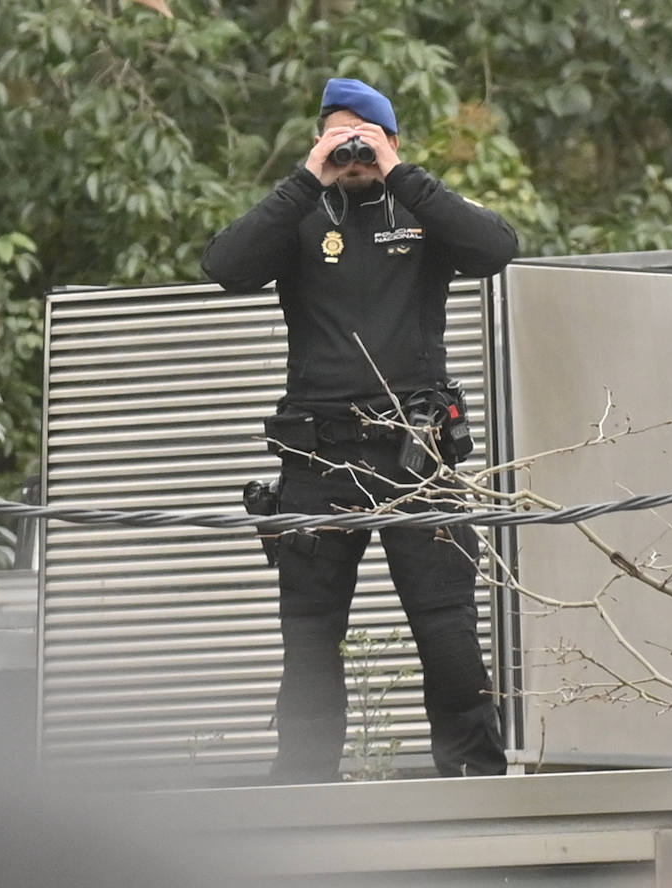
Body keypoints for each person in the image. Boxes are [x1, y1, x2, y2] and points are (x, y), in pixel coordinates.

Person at [201, 77, 517, 782]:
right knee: (310, 636)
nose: (349, 151)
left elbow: (498, 249)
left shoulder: (422, 207)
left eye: (361, 136)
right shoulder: (301, 217)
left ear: (391, 139)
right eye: (335, 137)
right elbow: (225, 266)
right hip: (320, 457)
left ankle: (473, 780)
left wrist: (400, 174)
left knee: (447, 628)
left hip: (418, 455)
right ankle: (305, 788)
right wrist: (305, 180)